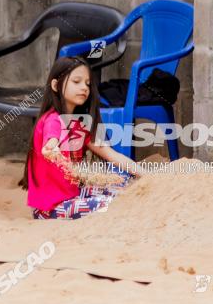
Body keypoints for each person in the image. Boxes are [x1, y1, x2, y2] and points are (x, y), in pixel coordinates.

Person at [20, 56, 141, 220]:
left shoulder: (78, 125)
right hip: (53, 207)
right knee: (112, 202)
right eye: (76, 82)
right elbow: (51, 138)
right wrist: (51, 147)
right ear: (56, 85)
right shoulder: (52, 119)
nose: (84, 87)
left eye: (88, 84)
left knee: (126, 178)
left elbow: (111, 155)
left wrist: (149, 176)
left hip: (76, 194)